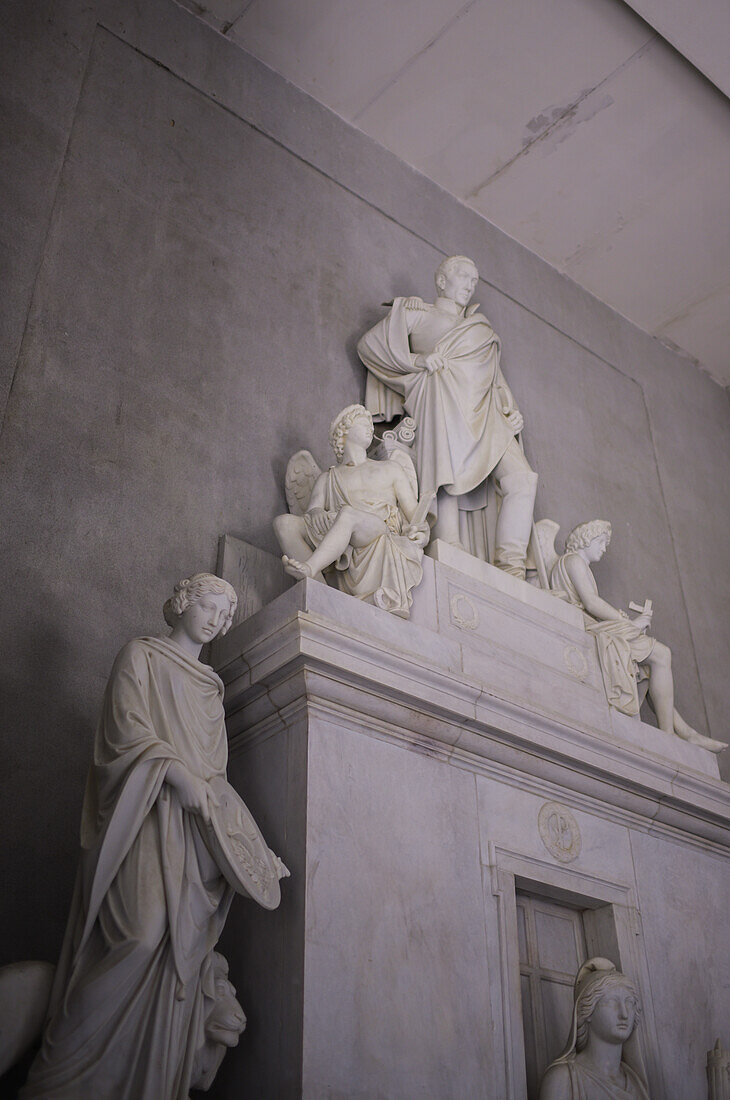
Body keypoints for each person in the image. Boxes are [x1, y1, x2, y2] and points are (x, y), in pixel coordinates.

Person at [22, 573, 245, 1099]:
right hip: (143, 817)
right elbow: (123, 733)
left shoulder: (212, 687)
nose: (217, 620)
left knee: (176, 957)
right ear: (184, 603)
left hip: (191, 838)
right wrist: (175, 772)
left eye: (226, 614)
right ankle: (57, 1079)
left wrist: (243, 847)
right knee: (139, 937)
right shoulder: (140, 657)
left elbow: (217, 778)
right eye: (209, 606)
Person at [357, 254, 537, 577]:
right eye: (465, 277)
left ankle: (511, 566)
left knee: (522, 479)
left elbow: (494, 378)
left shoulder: (479, 329)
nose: (471, 285)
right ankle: (449, 542)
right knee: (447, 473)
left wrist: (511, 410)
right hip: (444, 407)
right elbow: (369, 346)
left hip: (487, 414)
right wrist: (418, 361)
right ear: (442, 281)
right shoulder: (418, 314)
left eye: (474, 281)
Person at [550, 520, 726, 752]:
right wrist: (627, 623)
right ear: (587, 539)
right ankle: (669, 735)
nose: (604, 549)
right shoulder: (573, 561)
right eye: (601, 543)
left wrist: (624, 621)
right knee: (662, 654)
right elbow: (591, 603)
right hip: (583, 626)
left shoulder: (576, 564)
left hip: (589, 624)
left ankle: (685, 732)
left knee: (649, 666)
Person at [273, 404, 430, 618]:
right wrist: (316, 512)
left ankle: (309, 568)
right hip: (342, 530)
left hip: (377, 530)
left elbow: (416, 517)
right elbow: (311, 512)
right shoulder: (327, 478)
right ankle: (320, 592)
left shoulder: (390, 469)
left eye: (370, 424)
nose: (371, 429)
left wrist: (422, 532)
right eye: (363, 423)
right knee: (283, 524)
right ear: (344, 431)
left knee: (348, 514)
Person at [539, 957, 650, 1100]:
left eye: (629, 1003)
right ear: (587, 1011)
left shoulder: (635, 1082)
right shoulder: (563, 1079)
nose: (624, 1014)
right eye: (612, 1002)